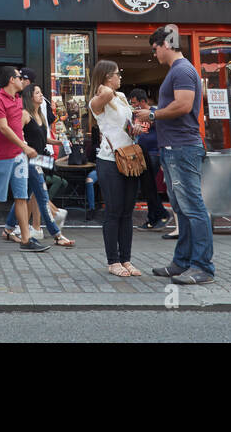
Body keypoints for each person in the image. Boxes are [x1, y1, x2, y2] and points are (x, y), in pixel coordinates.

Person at [136, 26, 214, 285]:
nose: (154, 53)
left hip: (182, 148)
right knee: (182, 208)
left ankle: (203, 267)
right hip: (174, 148)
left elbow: (183, 104)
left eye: (155, 48)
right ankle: (182, 262)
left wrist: (153, 114)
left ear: (166, 44)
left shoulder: (181, 70)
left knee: (193, 207)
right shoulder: (177, 71)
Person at [0, 66, 48, 253]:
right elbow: (4, 128)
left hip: (19, 156)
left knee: (21, 196)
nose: (21, 79)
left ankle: (25, 239)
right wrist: (24, 146)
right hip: (2, 156)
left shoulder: (19, 100)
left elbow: (17, 127)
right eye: (18, 77)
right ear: (10, 80)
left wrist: (23, 147)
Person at [89, 61, 144, 276]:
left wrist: (135, 129)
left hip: (129, 157)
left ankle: (126, 259)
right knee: (113, 211)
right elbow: (105, 96)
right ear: (106, 77)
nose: (120, 77)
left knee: (127, 212)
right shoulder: (98, 100)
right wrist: (103, 88)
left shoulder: (120, 98)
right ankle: (113, 261)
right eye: (116, 74)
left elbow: (126, 126)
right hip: (110, 160)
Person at [4, 86, 74, 248]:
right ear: (29, 97)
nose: (41, 95)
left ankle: (8, 229)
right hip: (29, 160)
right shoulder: (24, 114)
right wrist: (25, 148)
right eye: (37, 93)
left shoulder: (40, 114)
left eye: (41, 92)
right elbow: (15, 134)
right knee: (42, 196)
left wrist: (57, 142)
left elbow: (43, 138)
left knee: (26, 195)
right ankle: (57, 234)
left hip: (40, 158)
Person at [130, 88, 171, 230]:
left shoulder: (154, 113)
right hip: (141, 153)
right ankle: (156, 216)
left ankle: (158, 215)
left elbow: (162, 131)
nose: (134, 106)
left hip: (154, 153)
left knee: (149, 187)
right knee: (148, 187)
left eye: (135, 103)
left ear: (143, 101)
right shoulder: (135, 115)